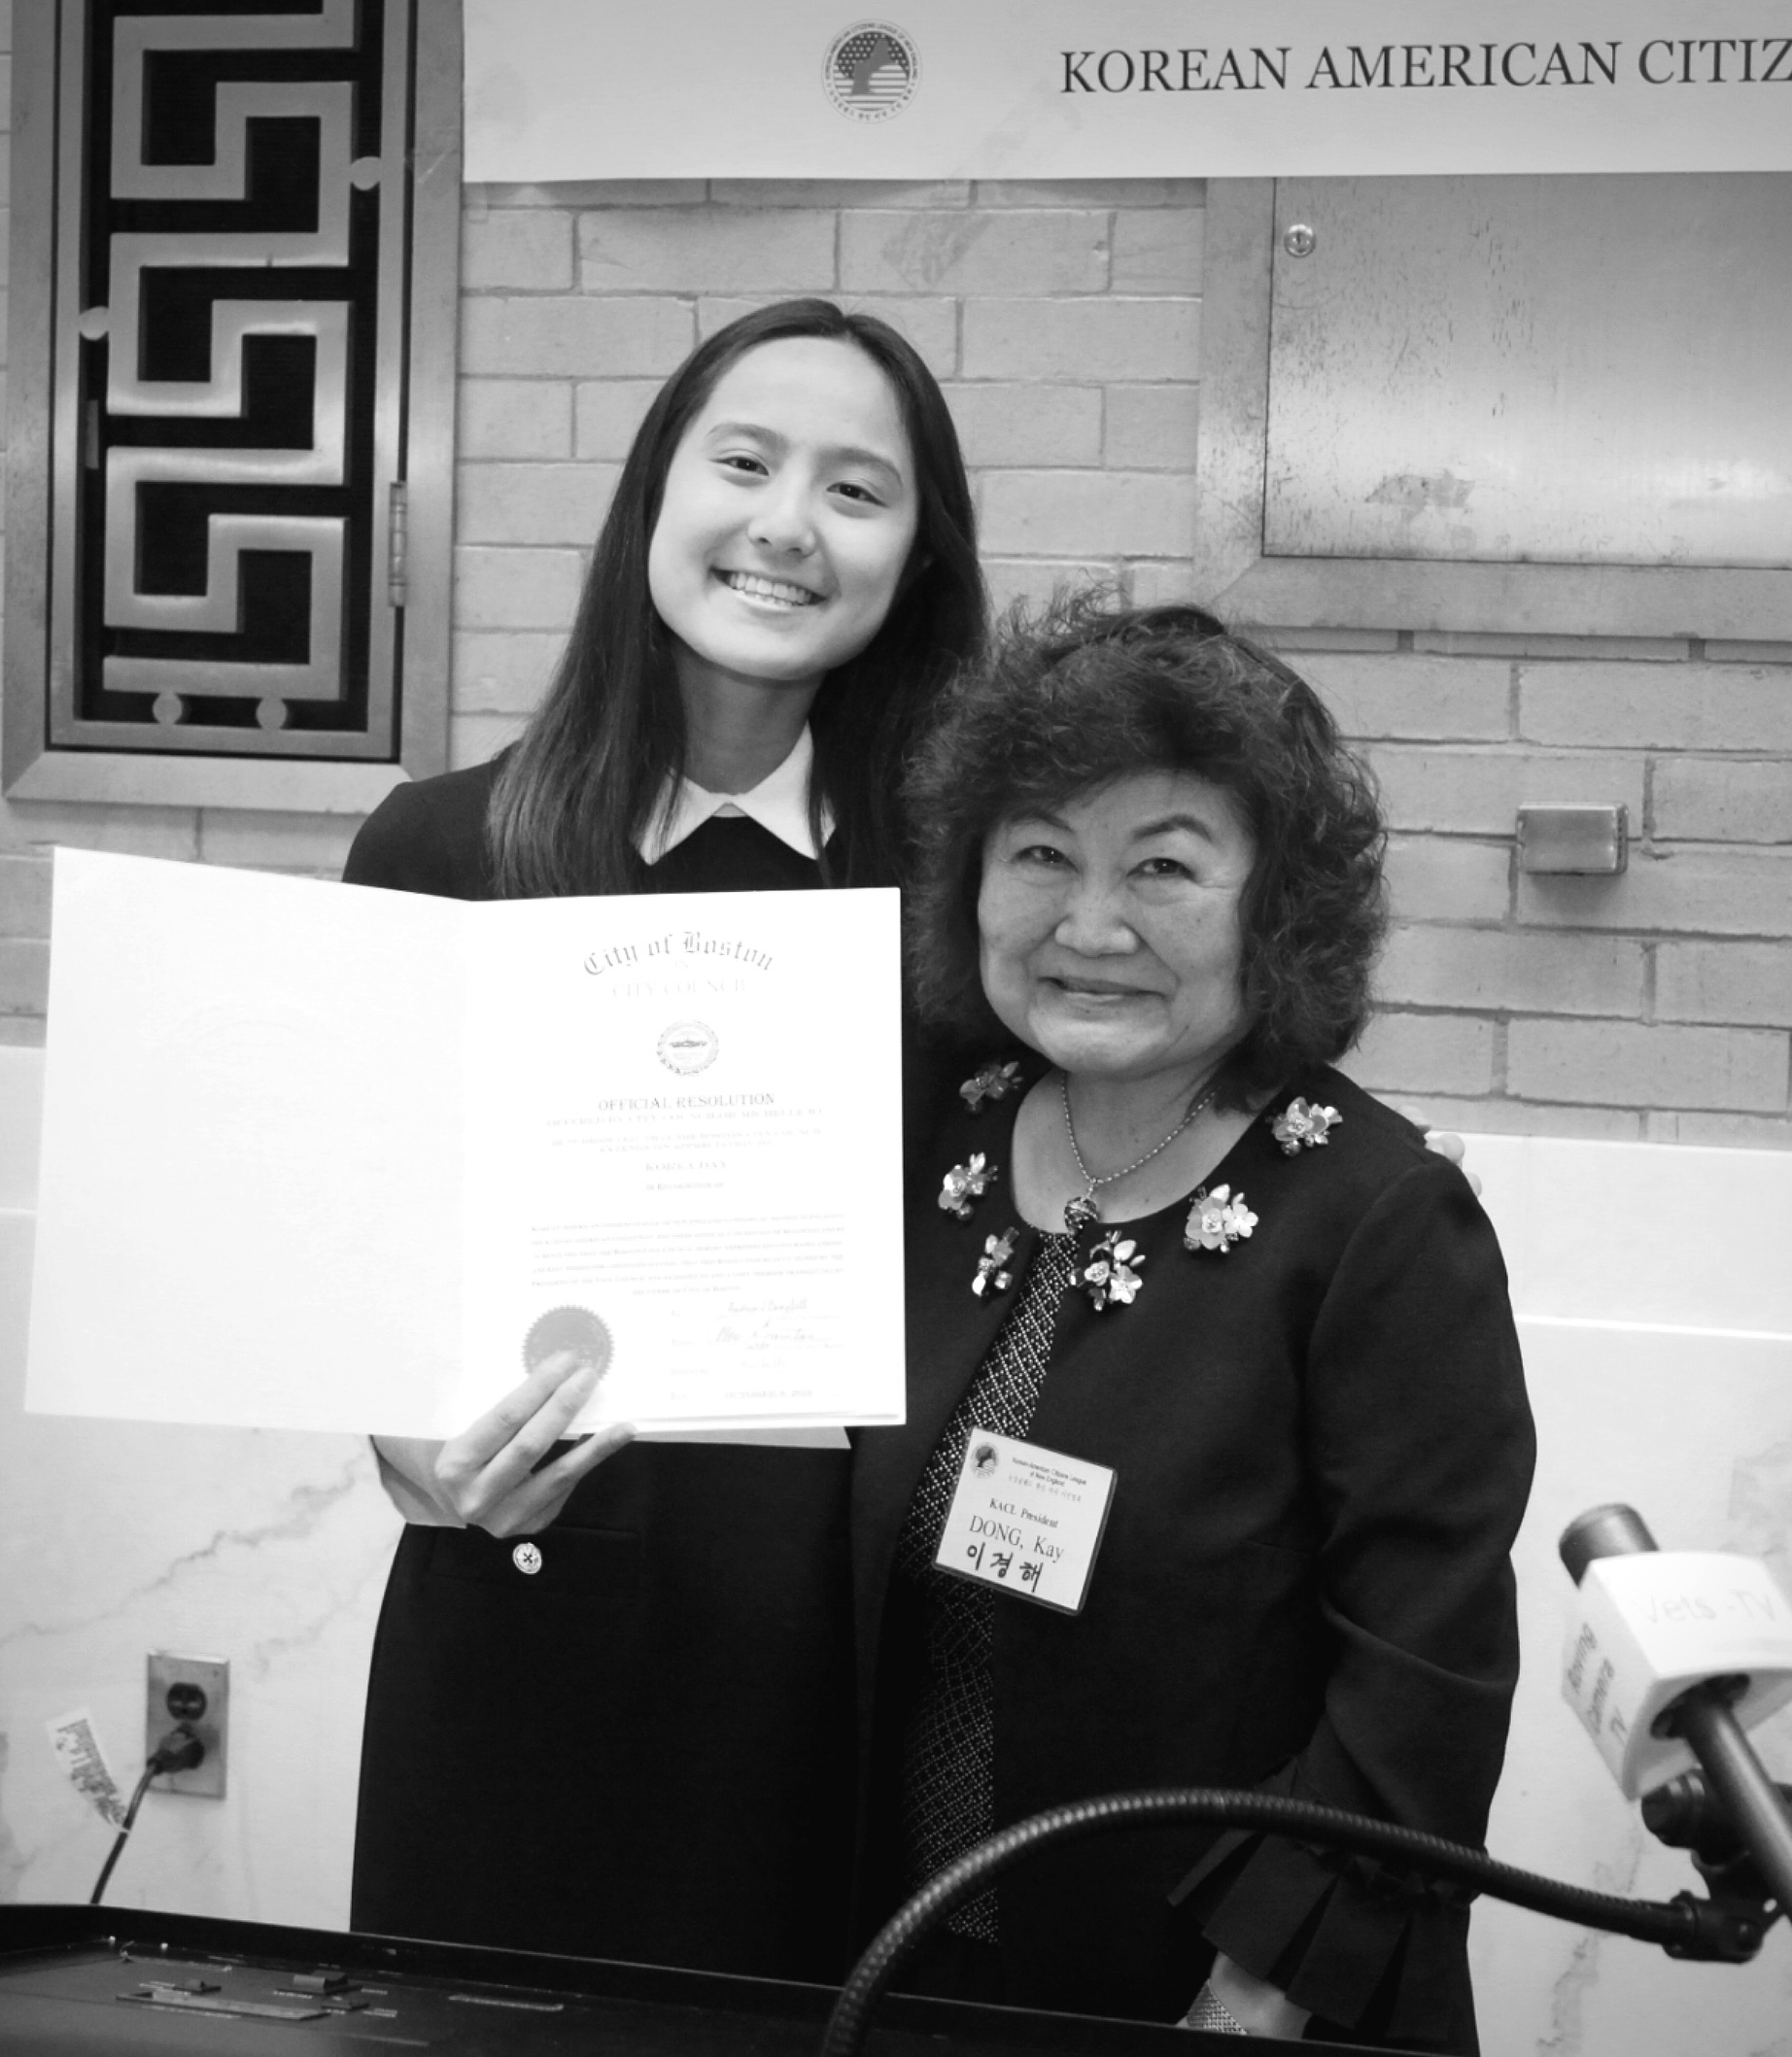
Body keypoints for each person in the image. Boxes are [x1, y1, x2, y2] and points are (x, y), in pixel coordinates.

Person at [342, 298, 986, 1980]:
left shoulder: (962, 902)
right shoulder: (444, 850)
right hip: (517, 1621)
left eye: (856, 489)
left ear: (916, 557)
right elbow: (363, 1263)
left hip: (839, 1660)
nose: (787, 525)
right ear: (654, 494)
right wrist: (415, 1440)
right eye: (744, 463)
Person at [850, 599, 1535, 2049]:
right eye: (1040, 854)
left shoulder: (1375, 1217)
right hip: (902, 1961)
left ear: (1277, 909)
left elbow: (1422, 1681)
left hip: (1213, 1991)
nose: (1089, 926)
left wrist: (1257, 1989)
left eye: (1162, 867)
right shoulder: (927, 1145)